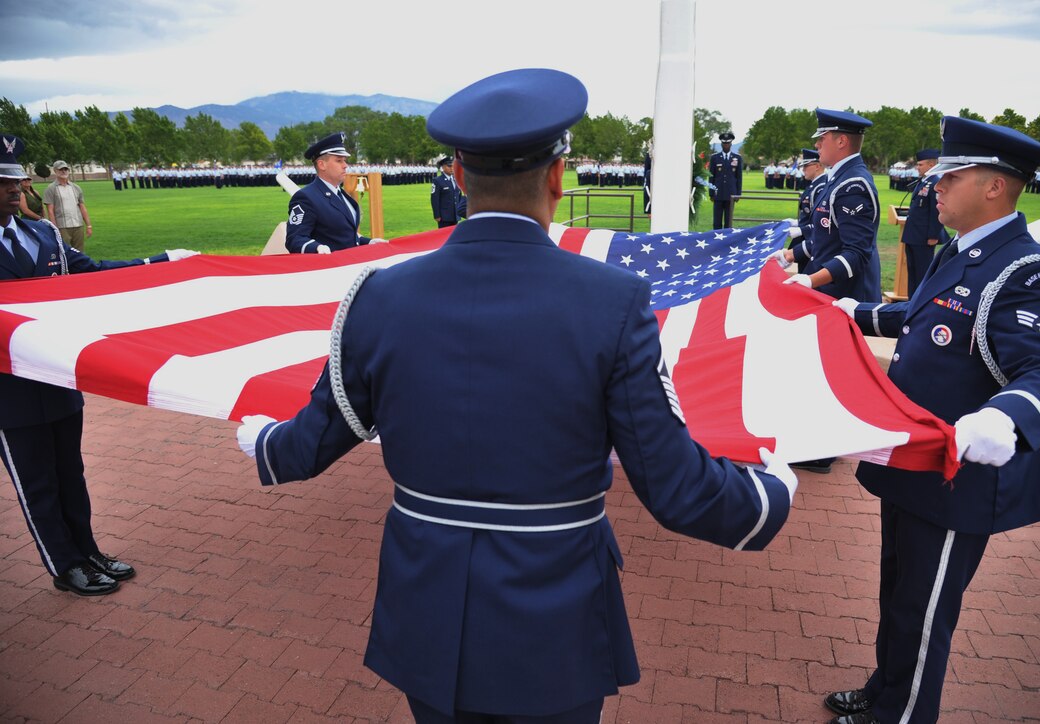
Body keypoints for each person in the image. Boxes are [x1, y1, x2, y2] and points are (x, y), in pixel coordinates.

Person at [236, 68, 798, 724]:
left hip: (426, 614)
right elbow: (674, 485)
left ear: (457, 173)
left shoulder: (378, 296)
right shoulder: (612, 303)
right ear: (558, 178)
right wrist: (768, 496)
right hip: (554, 624)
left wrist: (267, 445)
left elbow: (322, 435)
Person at [826, 117, 1040, 724]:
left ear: (995, 187)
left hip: (957, 477)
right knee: (897, 594)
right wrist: (846, 311)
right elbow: (918, 320)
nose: (934, 187)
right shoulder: (962, 251)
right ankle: (887, 690)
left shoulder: (1026, 271)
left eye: (951, 176)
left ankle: (903, 714)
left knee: (924, 606)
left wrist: (1005, 418)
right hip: (912, 465)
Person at [0, 134, 200, 596]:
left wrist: (159, 263)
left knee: (71, 471)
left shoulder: (41, 233)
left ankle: (87, 550)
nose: (16, 189)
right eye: (4, 182)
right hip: (8, 391)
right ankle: (64, 564)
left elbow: (92, 270)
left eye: (17, 181)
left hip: (57, 374)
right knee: (38, 482)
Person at [771, 109, 882, 303]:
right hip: (831, 289)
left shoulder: (853, 185)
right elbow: (828, 237)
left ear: (841, 142)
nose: (816, 144)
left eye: (822, 138)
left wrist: (811, 280)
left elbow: (856, 253)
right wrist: (790, 254)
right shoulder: (838, 178)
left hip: (846, 296)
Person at [285, 132, 371, 254]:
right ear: (322, 164)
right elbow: (295, 239)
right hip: (330, 267)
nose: (345, 165)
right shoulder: (306, 197)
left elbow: (343, 235)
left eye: (345, 160)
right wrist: (317, 248)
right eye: (339, 160)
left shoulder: (342, 195)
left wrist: (368, 242)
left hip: (350, 264)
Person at [900, 149, 949, 298]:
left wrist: (933, 235)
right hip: (913, 235)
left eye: (920, 164)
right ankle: (910, 302)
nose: (917, 167)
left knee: (922, 274)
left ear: (931, 164)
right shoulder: (924, 181)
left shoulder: (935, 183)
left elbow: (936, 213)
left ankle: (919, 303)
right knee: (912, 272)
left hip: (924, 238)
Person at [41, 160, 92, 252]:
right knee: (64, 252)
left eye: (65, 169)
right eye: (61, 169)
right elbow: (50, 211)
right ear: (55, 171)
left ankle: (79, 267)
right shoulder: (51, 189)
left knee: (80, 252)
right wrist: (55, 229)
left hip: (78, 225)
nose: (64, 171)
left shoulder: (76, 188)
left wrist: (88, 225)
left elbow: (82, 207)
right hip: (62, 227)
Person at [708, 130, 743, 229]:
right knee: (717, 222)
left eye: (728, 143)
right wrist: (711, 193)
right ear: (721, 144)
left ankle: (727, 243)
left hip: (731, 194)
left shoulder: (737, 158)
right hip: (717, 193)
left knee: (728, 222)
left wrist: (738, 193)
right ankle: (716, 241)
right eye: (724, 143)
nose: (726, 145)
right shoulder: (715, 158)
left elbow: (739, 177)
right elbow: (711, 176)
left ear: (731, 143)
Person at [430, 156, 463, 228]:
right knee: (443, 237)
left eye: (453, 166)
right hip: (444, 217)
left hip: (455, 214)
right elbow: (434, 199)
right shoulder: (437, 180)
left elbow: (459, 195)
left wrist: (460, 210)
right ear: (443, 167)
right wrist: (437, 215)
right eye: (449, 166)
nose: (452, 168)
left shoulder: (456, 179)